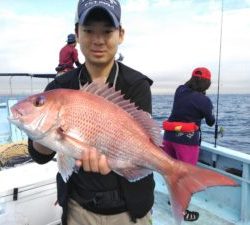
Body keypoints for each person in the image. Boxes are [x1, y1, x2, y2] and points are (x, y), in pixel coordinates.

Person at [28, 1, 155, 225]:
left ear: (121, 34)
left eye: (107, 31)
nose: (98, 40)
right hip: (79, 208)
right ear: (77, 33)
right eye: (88, 31)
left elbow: (144, 140)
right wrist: (45, 134)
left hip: (130, 211)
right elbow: (39, 155)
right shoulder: (60, 87)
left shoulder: (137, 84)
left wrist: (114, 157)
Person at [162, 67, 215, 222]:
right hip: (186, 142)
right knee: (186, 177)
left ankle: (173, 199)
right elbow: (211, 122)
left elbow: (188, 99)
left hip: (169, 138)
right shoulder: (204, 101)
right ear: (207, 83)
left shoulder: (180, 90)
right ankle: (182, 211)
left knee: (172, 173)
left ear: (192, 78)